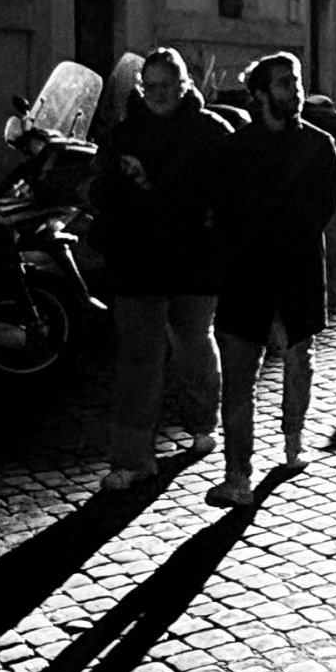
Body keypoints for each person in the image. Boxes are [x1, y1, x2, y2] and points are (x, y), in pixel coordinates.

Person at [89, 46, 235, 489]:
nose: (157, 94)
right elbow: (102, 194)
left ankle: (203, 422)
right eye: (149, 85)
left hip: (195, 264)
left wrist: (150, 186)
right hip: (139, 264)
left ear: (184, 86)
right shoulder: (123, 134)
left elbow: (222, 197)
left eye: (166, 85)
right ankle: (133, 459)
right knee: (139, 361)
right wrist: (124, 184)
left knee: (194, 346)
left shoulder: (211, 132)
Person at [206, 51, 336, 508]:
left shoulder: (319, 145)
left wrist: (284, 235)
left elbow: (325, 208)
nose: (296, 91)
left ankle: (293, 440)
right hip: (246, 277)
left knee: (299, 362)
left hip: (298, 274)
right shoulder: (235, 149)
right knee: (238, 379)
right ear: (261, 94)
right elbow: (222, 210)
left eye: (297, 81)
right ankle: (237, 476)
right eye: (285, 83)